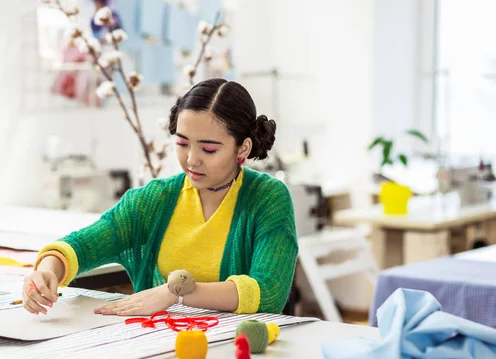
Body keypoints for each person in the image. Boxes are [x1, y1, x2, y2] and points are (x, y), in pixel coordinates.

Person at [22, 78, 298, 316]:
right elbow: (83, 245)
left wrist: (177, 293)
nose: (191, 160)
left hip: (235, 351)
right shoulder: (156, 200)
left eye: (209, 149)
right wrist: (48, 270)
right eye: (181, 143)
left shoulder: (267, 198)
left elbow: (269, 291)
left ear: (243, 148)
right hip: (164, 346)